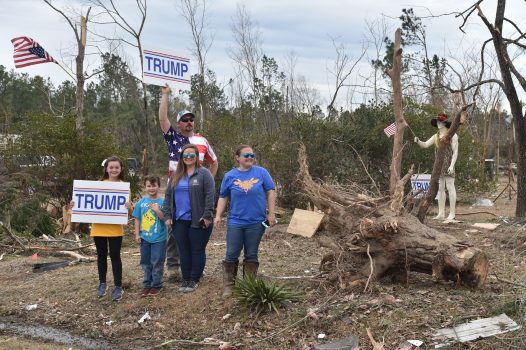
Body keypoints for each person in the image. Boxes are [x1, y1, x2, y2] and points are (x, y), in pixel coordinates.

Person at [159, 85, 219, 282]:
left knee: (196, 230)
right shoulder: (173, 138)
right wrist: (165, 95)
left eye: (191, 119)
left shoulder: (202, 140)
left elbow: (214, 161)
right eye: (184, 120)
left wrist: (207, 181)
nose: (189, 122)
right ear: (178, 123)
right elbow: (162, 118)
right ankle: (174, 267)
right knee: (175, 231)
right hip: (176, 191)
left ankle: (195, 269)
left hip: (196, 193)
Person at [214, 145, 277, 298]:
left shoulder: (261, 172)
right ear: (237, 158)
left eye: (252, 154)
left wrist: (272, 213)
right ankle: (229, 285)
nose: (250, 157)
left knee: (251, 253)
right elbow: (223, 196)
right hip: (235, 221)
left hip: (257, 222)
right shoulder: (230, 175)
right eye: (246, 155)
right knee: (231, 253)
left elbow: (271, 191)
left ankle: (249, 285)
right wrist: (218, 215)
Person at [162, 144, 215, 293]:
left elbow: (210, 196)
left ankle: (194, 279)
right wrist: (167, 215)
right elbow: (167, 196)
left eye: (192, 155)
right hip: (179, 220)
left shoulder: (204, 174)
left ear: (197, 157)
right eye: (185, 155)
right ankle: (185, 279)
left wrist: (207, 216)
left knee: (197, 250)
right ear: (181, 158)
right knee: (183, 251)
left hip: (198, 220)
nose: (188, 158)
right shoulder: (176, 175)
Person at [77, 156, 131, 301]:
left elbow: (128, 211)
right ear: (106, 169)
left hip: (115, 229)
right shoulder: (99, 184)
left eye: (116, 167)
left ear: (121, 169)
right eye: (111, 167)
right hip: (98, 228)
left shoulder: (124, 186)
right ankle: (102, 283)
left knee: (115, 256)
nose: (114, 170)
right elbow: (86, 202)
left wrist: (129, 207)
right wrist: (75, 204)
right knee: (101, 256)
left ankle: (118, 286)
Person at [414, 112, 459, 223]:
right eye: (438, 121)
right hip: (438, 164)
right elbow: (425, 145)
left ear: (445, 123)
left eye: (441, 121)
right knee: (440, 188)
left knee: (450, 186)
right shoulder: (436, 136)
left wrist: (452, 165)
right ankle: (441, 213)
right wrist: (418, 141)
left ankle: (452, 214)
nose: (439, 123)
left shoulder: (453, 135)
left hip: (448, 164)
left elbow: (455, 151)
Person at [132, 175, 167, 297]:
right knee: (146, 261)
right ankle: (147, 284)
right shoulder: (141, 203)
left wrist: (157, 210)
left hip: (159, 239)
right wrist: (137, 234)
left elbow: (165, 219)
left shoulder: (163, 202)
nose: (151, 188)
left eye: (154, 185)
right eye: (148, 186)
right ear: (145, 187)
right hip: (144, 238)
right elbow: (137, 219)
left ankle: (156, 285)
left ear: (158, 186)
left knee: (157, 261)